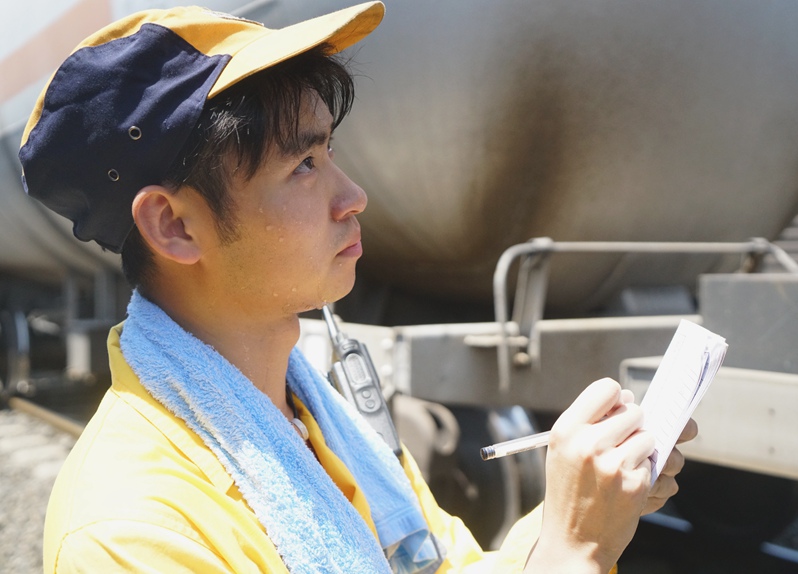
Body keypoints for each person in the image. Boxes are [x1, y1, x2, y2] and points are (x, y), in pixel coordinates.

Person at [19, 3, 696, 573]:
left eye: (331, 153)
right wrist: (570, 552)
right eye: (303, 165)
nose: (354, 197)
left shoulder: (322, 424)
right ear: (175, 226)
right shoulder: (129, 531)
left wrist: (576, 511)